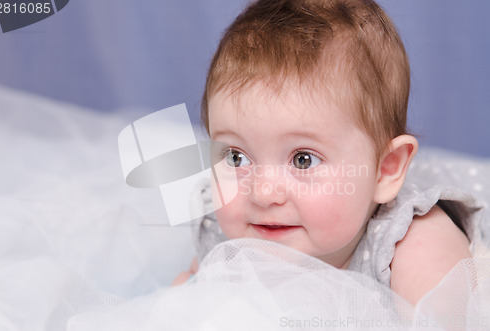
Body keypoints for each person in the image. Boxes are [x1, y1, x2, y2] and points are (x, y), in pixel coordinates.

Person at [174, 0, 482, 305]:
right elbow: (186, 298)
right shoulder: (228, 235)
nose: (263, 193)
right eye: (235, 157)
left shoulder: (410, 245)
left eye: (302, 160)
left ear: (385, 169)